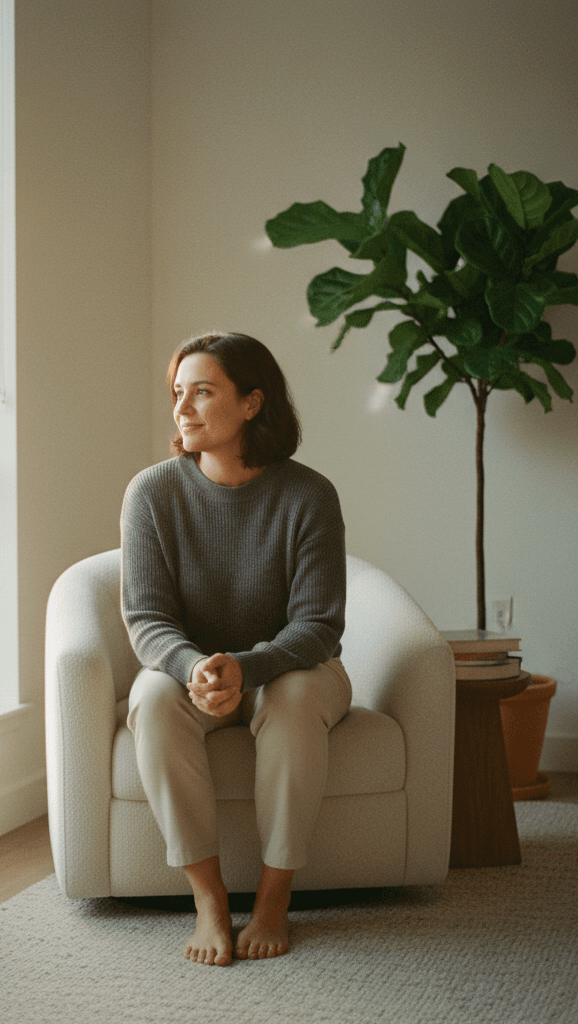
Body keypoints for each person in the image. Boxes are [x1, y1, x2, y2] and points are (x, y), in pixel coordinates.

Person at [120, 331, 351, 966]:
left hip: (293, 670)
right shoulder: (152, 493)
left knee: (296, 693)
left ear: (252, 403)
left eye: (202, 392)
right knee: (152, 698)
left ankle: (274, 899)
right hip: (196, 673)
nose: (182, 408)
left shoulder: (309, 495)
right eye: (177, 394)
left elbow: (318, 626)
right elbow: (146, 619)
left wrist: (245, 667)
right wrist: (195, 666)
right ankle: (209, 901)